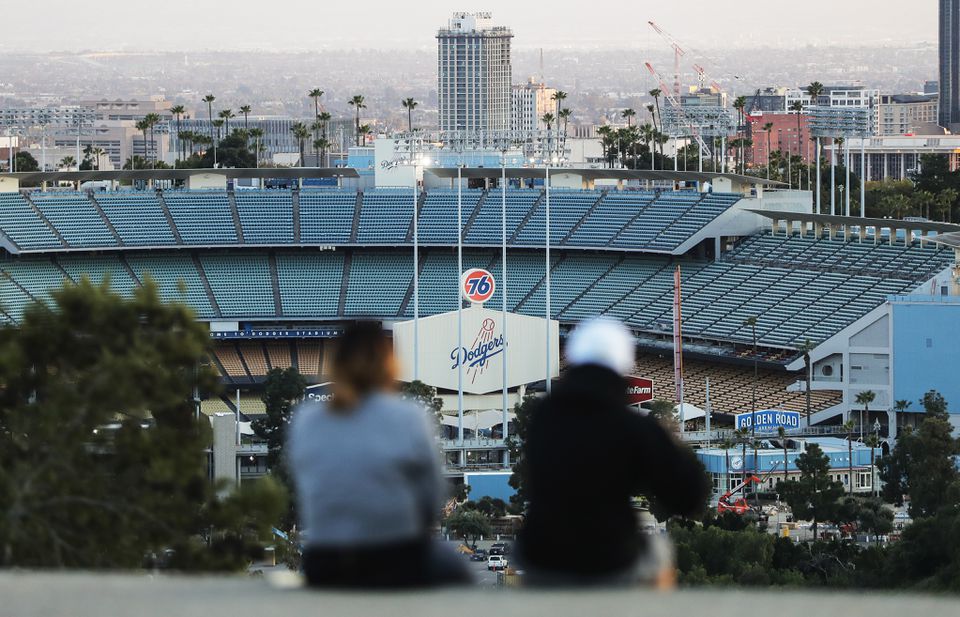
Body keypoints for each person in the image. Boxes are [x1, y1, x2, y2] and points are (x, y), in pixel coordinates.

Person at [517, 318, 710, 586]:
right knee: (659, 552)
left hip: (541, 556)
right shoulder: (632, 427)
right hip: (607, 559)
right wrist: (670, 445)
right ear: (623, 364)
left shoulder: (542, 417)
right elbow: (688, 499)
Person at [288, 322, 468, 588]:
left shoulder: (307, 419)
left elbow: (306, 485)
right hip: (395, 556)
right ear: (388, 364)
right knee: (460, 571)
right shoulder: (408, 417)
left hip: (326, 560)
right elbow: (431, 495)